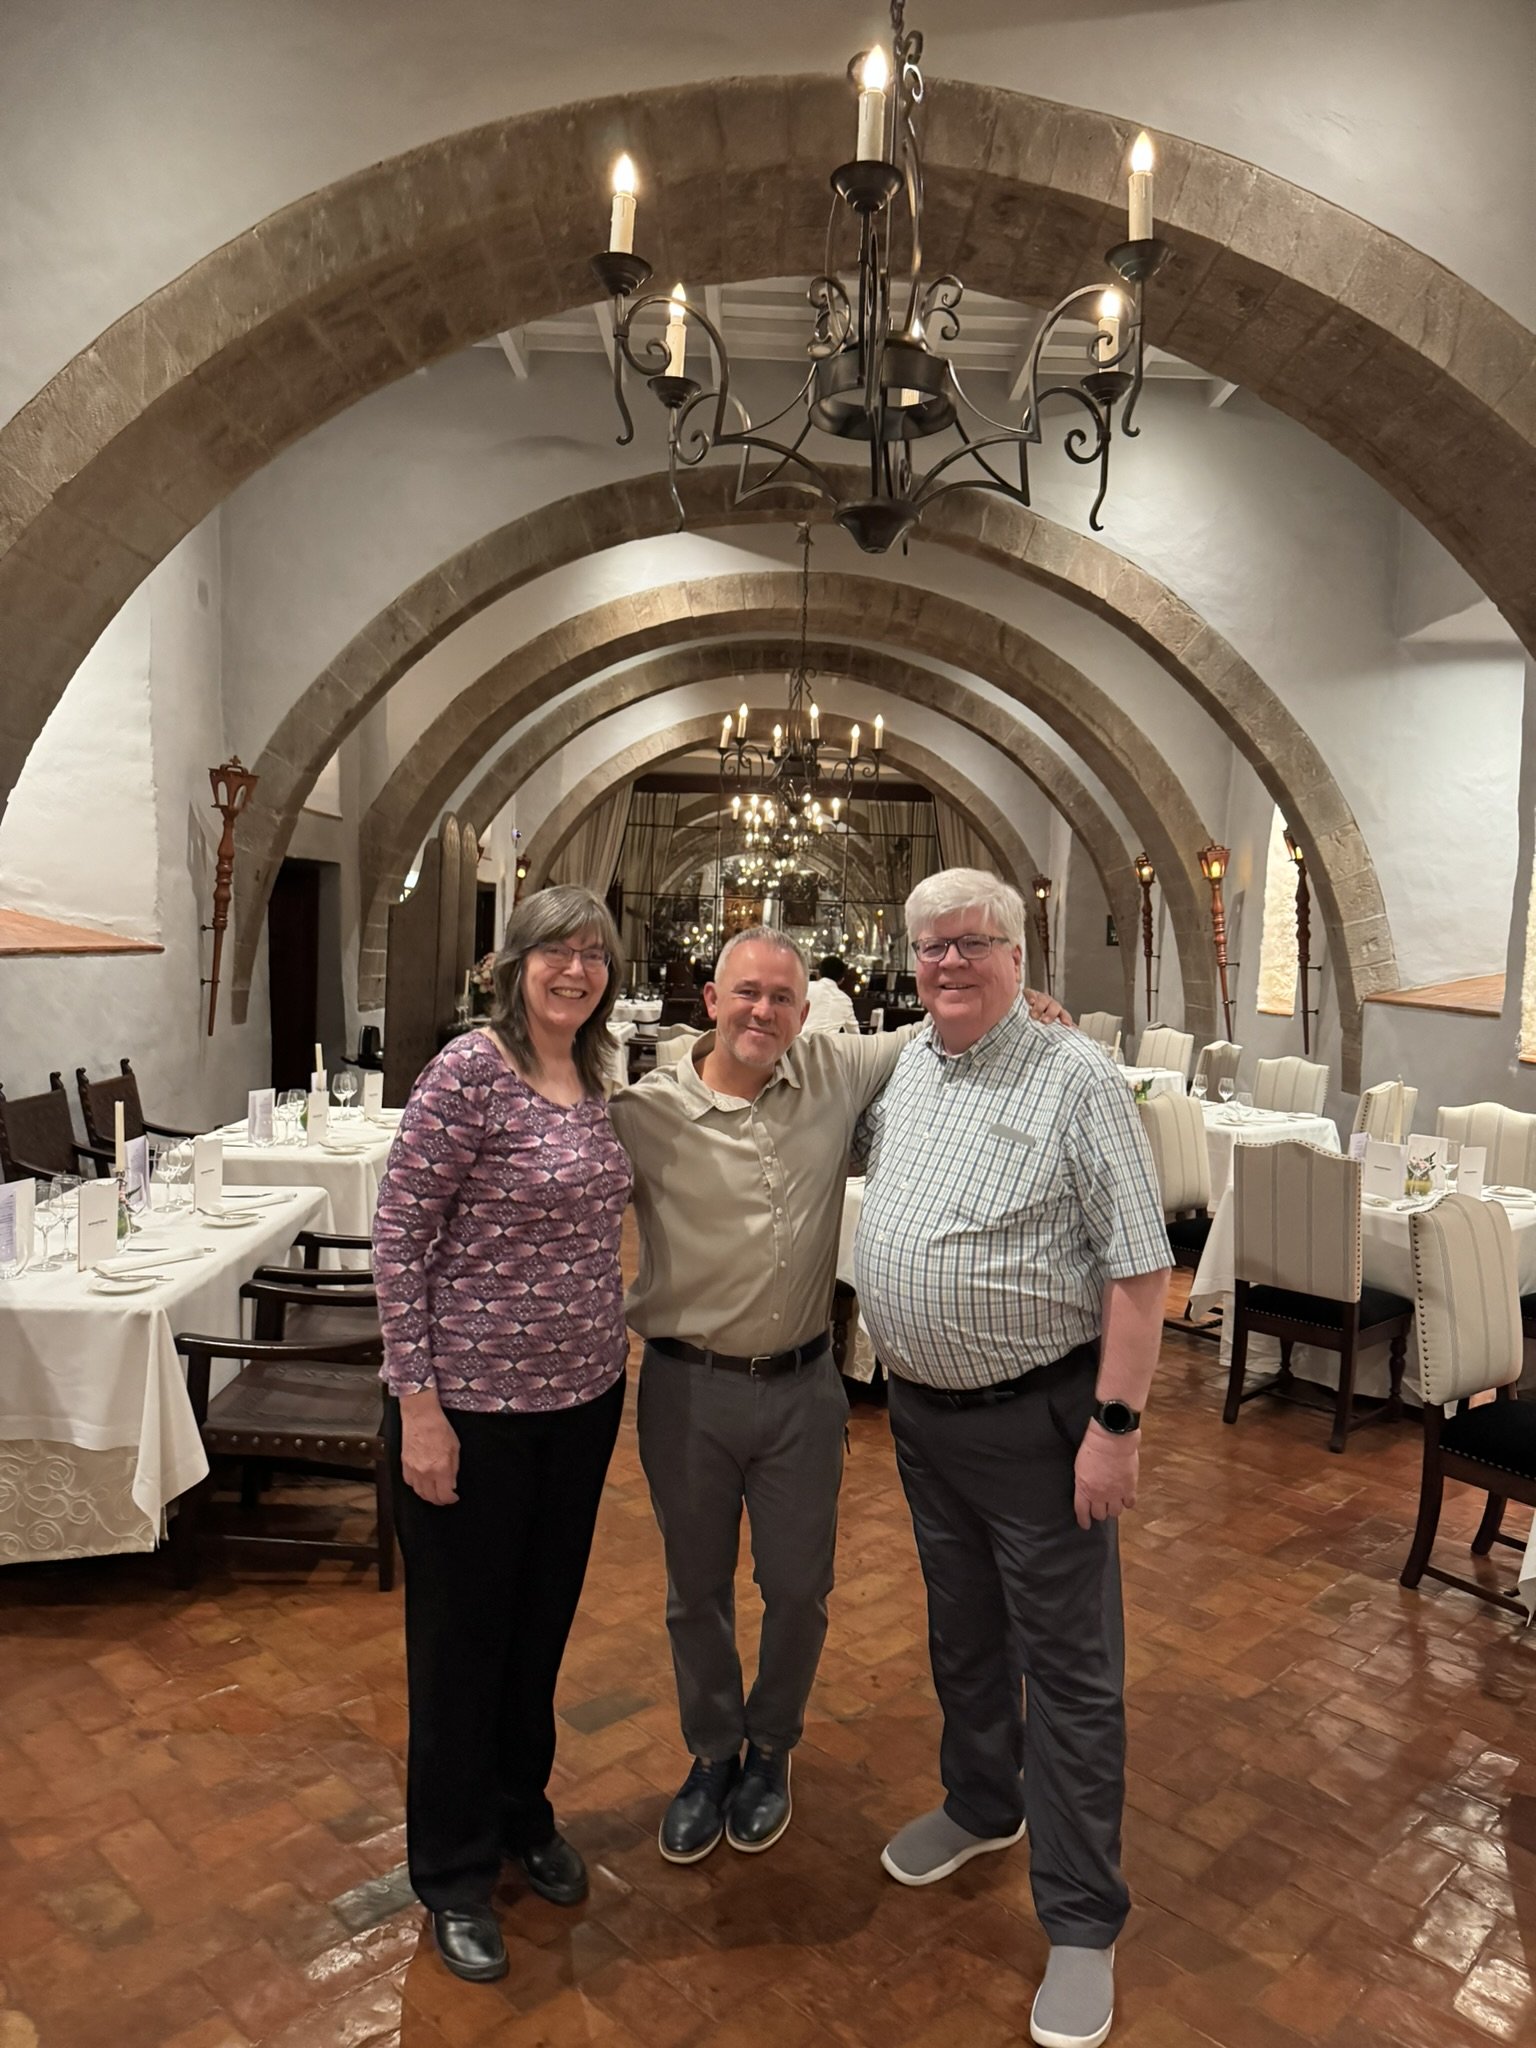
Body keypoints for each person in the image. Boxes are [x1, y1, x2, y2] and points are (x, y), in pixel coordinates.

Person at [608, 925, 1068, 1869]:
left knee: (798, 1589)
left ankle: (770, 1749)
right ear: (712, 1000)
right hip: (687, 1391)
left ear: (805, 1008)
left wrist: (1023, 1001)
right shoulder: (643, 1113)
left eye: (783, 997)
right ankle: (711, 1753)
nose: (763, 1012)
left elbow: (946, 1017)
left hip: (801, 1393)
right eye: (747, 993)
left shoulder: (832, 1068)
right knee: (695, 1591)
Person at [854, 870, 1168, 2048]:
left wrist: (1115, 1427)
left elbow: (1140, 1266)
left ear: (1019, 953)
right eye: (930, 944)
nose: (949, 961)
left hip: (1040, 1425)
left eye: (972, 942)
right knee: (964, 1630)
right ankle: (983, 1801)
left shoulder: (1075, 1075)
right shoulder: (910, 1063)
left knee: (1072, 1672)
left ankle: (1083, 1920)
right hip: (923, 1418)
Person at [374, 886, 632, 1986]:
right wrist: (418, 1406)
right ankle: (452, 1868)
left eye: (593, 954)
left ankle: (523, 1811)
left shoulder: (600, 1076)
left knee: (539, 1629)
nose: (575, 970)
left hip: (581, 1402)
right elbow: (398, 1236)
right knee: (460, 1645)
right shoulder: (467, 1073)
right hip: (470, 1413)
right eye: (554, 952)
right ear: (511, 964)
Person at [802, 954, 860, 1035]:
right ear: (842, 979)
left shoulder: (806, 988)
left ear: (819, 973)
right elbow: (854, 1033)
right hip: (829, 1042)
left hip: (798, 1041)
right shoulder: (845, 999)